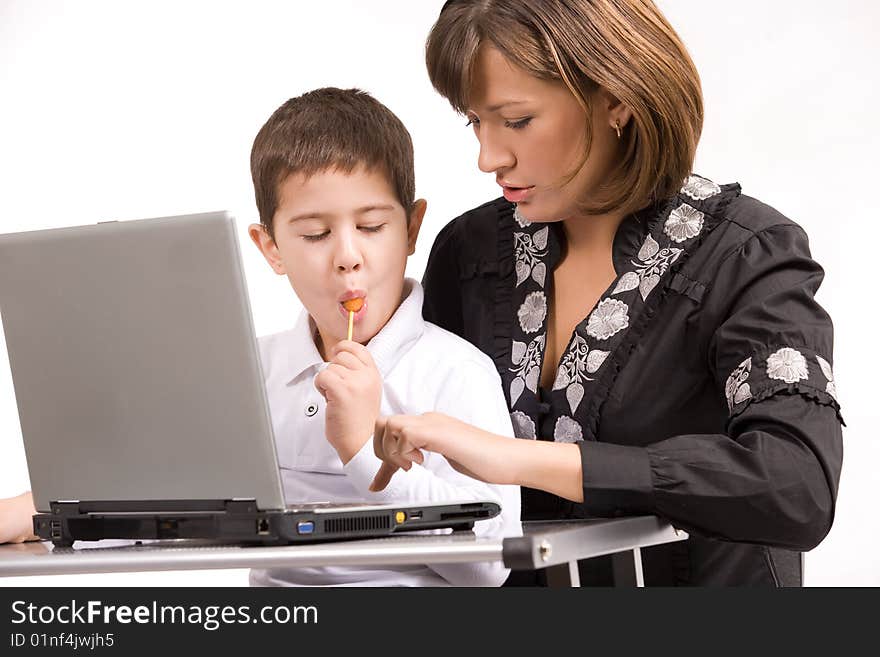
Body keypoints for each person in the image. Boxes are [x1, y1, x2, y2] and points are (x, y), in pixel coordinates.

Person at [369, 0, 844, 586]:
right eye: (475, 121)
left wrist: (520, 459)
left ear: (617, 99)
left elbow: (797, 487)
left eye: (516, 121)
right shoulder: (469, 254)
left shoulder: (747, 254)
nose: (488, 157)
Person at [0, 87, 521, 587]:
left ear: (411, 229)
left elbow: (490, 566)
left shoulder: (455, 371)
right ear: (270, 248)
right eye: (315, 234)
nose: (347, 256)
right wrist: (34, 511)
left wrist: (364, 452)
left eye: (371, 226)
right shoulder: (251, 374)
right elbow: (156, 501)